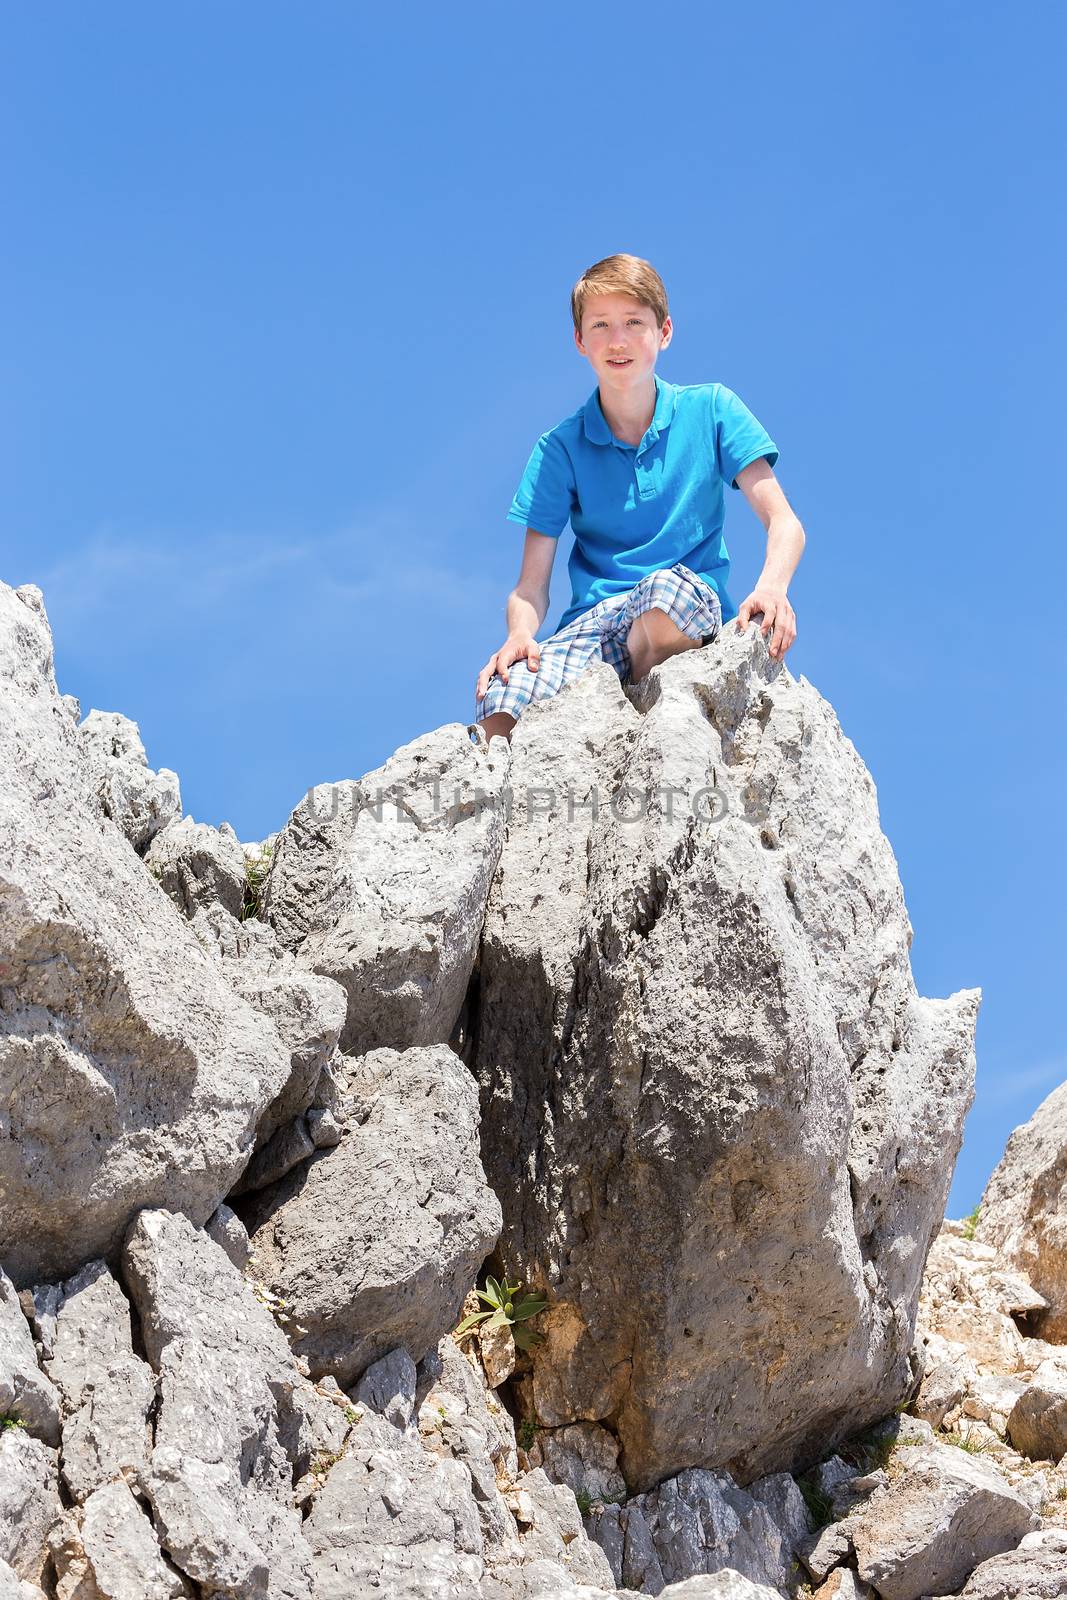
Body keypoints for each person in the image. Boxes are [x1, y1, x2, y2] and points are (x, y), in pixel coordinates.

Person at [472, 254, 806, 745]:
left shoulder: (712, 408)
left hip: (685, 603)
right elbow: (530, 588)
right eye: (601, 325)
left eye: (633, 322)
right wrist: (519, 635)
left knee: (662, 596)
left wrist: (773, 588)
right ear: (580, 341)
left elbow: (784, 522)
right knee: (502, 695)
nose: (618, 340)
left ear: (663, 332)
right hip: (596, 623)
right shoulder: (558, 449)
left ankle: (646, 713)